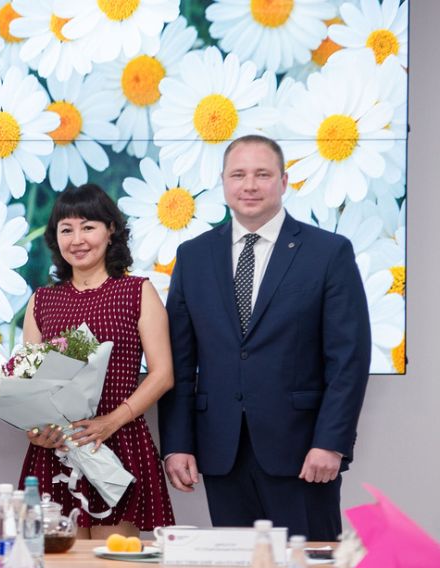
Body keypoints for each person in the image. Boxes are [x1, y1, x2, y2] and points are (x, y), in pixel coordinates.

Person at [159, 135, 371, 540]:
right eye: (238, 175)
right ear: (223, 182)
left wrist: (331, 442)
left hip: (304, 452)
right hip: (222, 451)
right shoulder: (193, 256)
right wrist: (177, 444)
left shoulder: (328, 252)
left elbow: (348, 360)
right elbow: (181, 363)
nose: (250, 185)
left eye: (262, 174)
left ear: (284, 181)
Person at [19, 183, 176, 538]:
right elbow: (29, 385)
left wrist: (111, 421)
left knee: (114, 563)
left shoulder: (137, 291)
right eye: (66, 230)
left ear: (111, 230)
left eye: (88, 227)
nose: (77, 239)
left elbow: (163, 374)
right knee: (58, 564)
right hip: (57, 449)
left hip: (117, 440)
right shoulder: (41, 300)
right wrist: (36, 428)